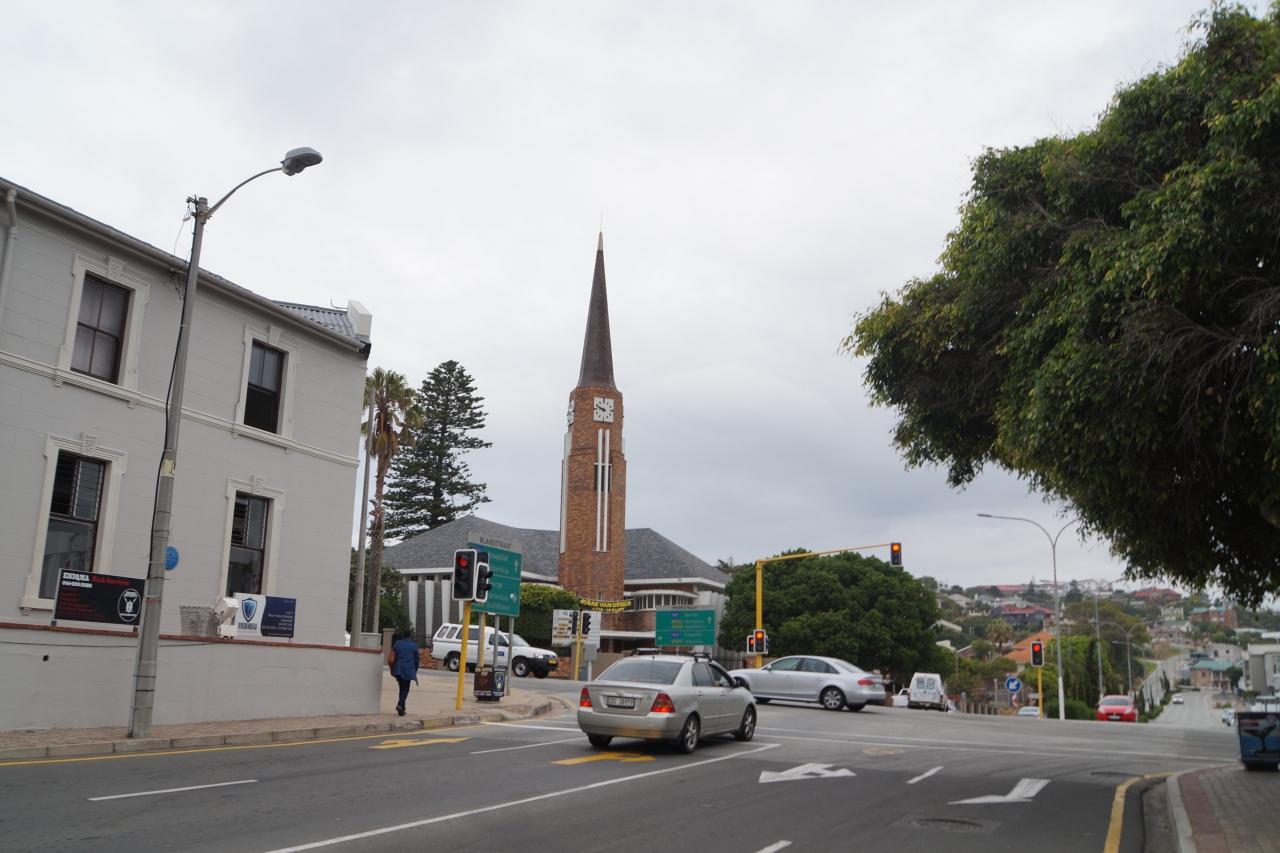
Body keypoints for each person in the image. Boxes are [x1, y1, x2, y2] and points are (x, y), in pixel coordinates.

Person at [388, 629, 420, 716]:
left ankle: (402, 709)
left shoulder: (398, 643)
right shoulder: (413, 645)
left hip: (398, 669)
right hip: (407, 670)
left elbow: (393, 656)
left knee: (402, 689)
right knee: (405, 689)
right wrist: (414, 671)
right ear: (410, 636)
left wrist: (392, 669)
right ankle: (399, 705)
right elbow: (417, 660)